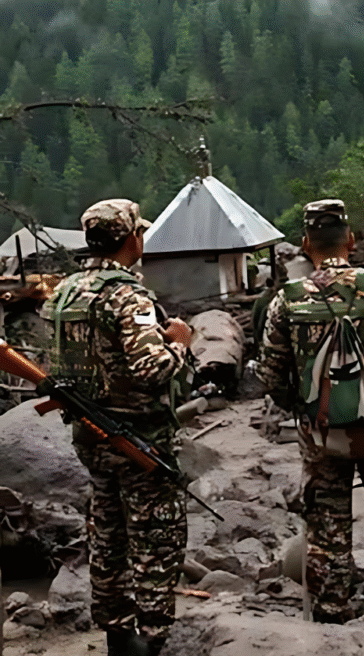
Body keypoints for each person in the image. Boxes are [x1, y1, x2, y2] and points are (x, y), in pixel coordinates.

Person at [257, 200, 364, 645]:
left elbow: (270, 375)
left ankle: (333, 619)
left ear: (305, 244)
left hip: (321, 433)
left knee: (327, 526)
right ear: (351, 240)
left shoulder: (286, 301)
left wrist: (304, 410)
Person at [42, 199, 192, 656]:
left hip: (91, 436)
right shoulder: (128, 295)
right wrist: (180, 344)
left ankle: (117, 635)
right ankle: (151, 639)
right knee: (156, 539)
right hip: (138, 441)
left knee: (107, 535)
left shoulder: (64, 292)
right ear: (132, 239)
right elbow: (151, 369)